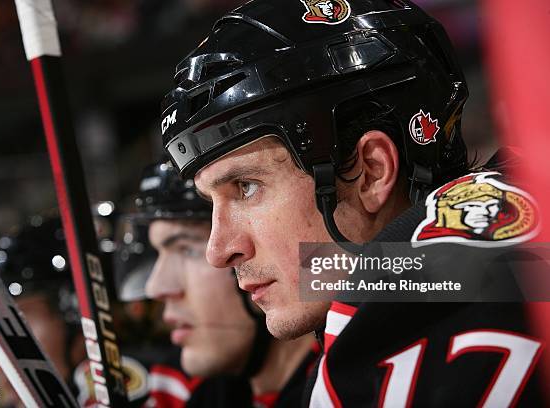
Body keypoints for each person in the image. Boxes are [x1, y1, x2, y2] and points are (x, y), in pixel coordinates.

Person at [158, 0, 546, 406]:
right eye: (211, 203)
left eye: (247, 186)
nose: (219, 251)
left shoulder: (391, 327)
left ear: (372, 172)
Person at [136, 161, 319, 407]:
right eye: (158, 254)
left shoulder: (355, 387)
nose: (156, 288)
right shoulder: (209, 394)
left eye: (186, 250)